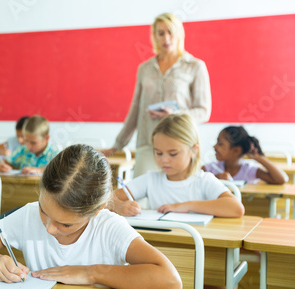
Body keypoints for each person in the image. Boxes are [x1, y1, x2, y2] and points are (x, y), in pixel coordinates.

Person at [0, 144, 182, 289]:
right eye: (45, 211)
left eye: (65, 224)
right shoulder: (28, 215)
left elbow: (171, 282)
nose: (49, 227)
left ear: (97, 210)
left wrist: (90, 273)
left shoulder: (108, 227)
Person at [103, 13, 211, 178]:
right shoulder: (144, 69)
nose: (166, 38)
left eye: (170, 32)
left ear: (179, 34)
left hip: (180, 144)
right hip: (148, 143)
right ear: (154, 36)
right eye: (161, 33)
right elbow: (136, 110)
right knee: (140, 199)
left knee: (178, 199)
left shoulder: (195, 66)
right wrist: (117, 145)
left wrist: (174, 114)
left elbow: (203, 112)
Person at [111, 114, 244, 218]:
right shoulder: (150, 179)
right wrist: (118, 206)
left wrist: (185, 206)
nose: (164, 160)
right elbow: (105, 201)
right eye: (158, 153)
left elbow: (236, 208)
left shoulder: (203, 181)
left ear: (193, 150)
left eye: (173, 154)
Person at [203, 126, 287, 184]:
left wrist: (258, 158)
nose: (214, 146)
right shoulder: (210, 168)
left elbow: (281, 179)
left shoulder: (249, 170)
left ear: (236, 151)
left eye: (220, 143)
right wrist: (214, 178)